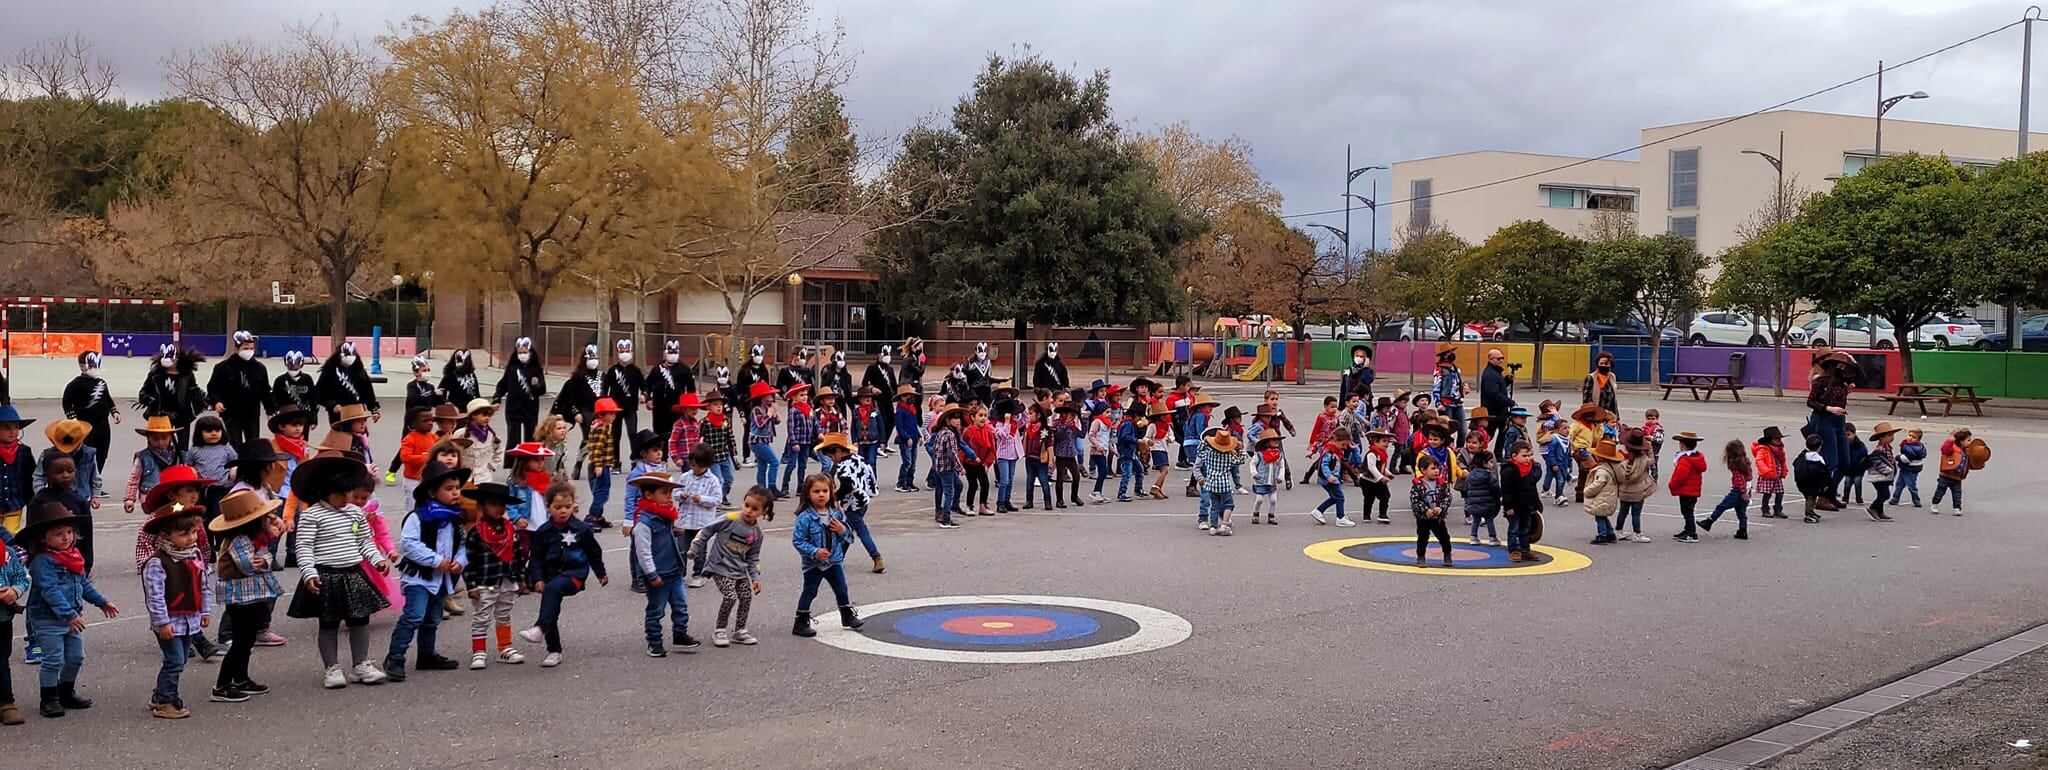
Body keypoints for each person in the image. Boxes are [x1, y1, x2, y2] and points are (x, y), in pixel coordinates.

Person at [19, 501, 118, 718]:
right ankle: (49, 698)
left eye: (70, 532)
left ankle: (66, 691)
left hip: (71, 617)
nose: (66, 538)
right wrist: (70, 615)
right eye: (58, 534)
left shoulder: (72, 557)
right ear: (44, 538)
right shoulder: (42, 562)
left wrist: (102, 602)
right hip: (48, 619)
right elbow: (50, 591)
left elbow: (83, 584)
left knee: (75, 657)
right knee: (53, 658)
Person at [383, 461, 470, 682]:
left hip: (442, 579)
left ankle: (426, 654)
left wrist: (460, 561)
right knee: (414, 616)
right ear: (432, 492)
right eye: (449, 489)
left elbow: (463, 545)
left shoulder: (455, 517)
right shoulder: (418, 517)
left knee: (432, 618)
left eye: (457, 488)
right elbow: (409, 544)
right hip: (419, 578)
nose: (455, 493)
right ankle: (395, 657)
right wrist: (436, 560)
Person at [522, 482, 609, 668]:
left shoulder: (582, 529)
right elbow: (535, 558)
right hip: (550, 575)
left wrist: (600, 573)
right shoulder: (542, 532)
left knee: (553, 589)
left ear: (574, 506)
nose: (563, 511)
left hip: (575, 575)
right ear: (548, 507)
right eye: (558, 507)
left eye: (567, 507)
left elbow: (594, 552)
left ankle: (539, 629)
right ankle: (554, 651)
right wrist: (537, 578)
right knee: (550, 605)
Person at [208, 489, 283, 702]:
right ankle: (222, 685)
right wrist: (265, 558)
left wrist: (265, 556)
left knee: (247, 639)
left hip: (251, 595)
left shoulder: (253, 537)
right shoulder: (239, 540)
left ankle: (240, 678)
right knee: (241, 641)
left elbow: (260, 562)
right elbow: (249, 566)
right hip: (240, 598)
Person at [137, 503, 210, 719]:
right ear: (166, 536)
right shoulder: (157, 562)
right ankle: (166, 701)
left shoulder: (194, 555)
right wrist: (162, 623)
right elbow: (155, 596)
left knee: (180, 660)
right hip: (169, 622)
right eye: (184, 533)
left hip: (190, 619)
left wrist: (204, 611)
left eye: (194, 532)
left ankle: (160, 695)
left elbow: (203, 585)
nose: (191, 537)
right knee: (175, 660)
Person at [689, 485, 770, 648]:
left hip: (739, 571)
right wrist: (695, 547)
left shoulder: (757, 533)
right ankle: (720, 629)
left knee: (746, 596)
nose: (748, 511)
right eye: (747, 505)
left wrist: (755, 578)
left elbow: (753, 557)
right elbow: (706, 530)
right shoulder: (730, 518)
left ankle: (739, 631)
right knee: (730, 596)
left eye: (754, 509)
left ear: (763, 512)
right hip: (720, 567)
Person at [626, 470, 696, 658]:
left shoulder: (665, 516)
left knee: (680, 604)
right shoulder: (644, 523)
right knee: (656, 609)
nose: (668, 497)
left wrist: (675, 533)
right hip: (658, 574)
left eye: (669, 493)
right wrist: (651, 574)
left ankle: (680, 634)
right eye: (664, 493)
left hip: (674, 570)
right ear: (649, 495)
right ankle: (654, 642)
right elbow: (643, 551)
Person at [459, 483, 529, 669]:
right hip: (484, 582)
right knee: (482, 617)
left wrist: (521, 578)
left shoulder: (509, 530)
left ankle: (505, 648)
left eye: (502, 504)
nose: (499, 508)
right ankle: (479, 652)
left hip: (506, 579)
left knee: (504, 615)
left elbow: (518, 555)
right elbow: (469, 561)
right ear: (481, 506)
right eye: (493, 504)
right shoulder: (476, 533)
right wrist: (471, 585)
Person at [790, 474, 861, 638]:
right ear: (808, 493)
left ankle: (847, 615)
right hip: (813, 563)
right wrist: (814, 551)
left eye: (825, 491)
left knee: (841, 589)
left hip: (834, 560)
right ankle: (801, 621)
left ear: (831, 492)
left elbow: (850, 537)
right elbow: (798, 540)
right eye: (816, 491)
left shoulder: (836, 514)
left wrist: (842, 530)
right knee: (810, 591)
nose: (821, 494)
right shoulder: (805, 518)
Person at [818, 434, 882, 574]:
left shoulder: (843, 467)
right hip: (863, 501)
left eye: (832, 456)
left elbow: (847, 486)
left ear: (839, 451)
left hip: (852, 504)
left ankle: (876, 556)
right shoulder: (858, 459)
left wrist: (835, 497)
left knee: (861, 531)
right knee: (847, 531)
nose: (832, 460)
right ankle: (838, 558)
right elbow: (870, 476)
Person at [1806, 351, 1857, 510]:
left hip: (1839, 421)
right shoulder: (1821, 381)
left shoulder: (1842, 384)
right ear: (1833, 366)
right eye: (1840, 366)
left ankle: (1829, 493)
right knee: (1831, 462)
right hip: (1824, 420)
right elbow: (1811, 402)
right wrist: (1828, 408)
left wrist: (1846, 392)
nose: (1843, 368)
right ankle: (1823, 497)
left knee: (1845, 462)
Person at [139, 344, 209, 453]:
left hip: (182, 415)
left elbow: (194, 391)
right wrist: (150, 400)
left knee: (182, 446)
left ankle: (181, 465)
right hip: (159, 414)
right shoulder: (155, 375)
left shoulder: (187, 375)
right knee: (159, 444)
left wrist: (203, 402)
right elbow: (143, 392)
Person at [61, 352, 121, 476]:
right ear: (82, 366)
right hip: (85, 425)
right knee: (85, 454)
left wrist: (114, 411)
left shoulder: (102, 383)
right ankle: (83, 482)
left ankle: (96, 482)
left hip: (103, 425)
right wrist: (72, 417)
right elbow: (66, 401)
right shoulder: (76, 384)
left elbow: (107, 399)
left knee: (102, 454)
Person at [674, 446, 723, 586]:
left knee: (700, 551)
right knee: (681, 548)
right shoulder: (685, 477)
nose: (693, 467)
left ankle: (698, 574)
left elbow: (717, 499)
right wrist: (681, 495)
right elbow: (675, 493)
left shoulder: (712, 480)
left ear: (705, 465)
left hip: (702, 523)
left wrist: (702, 499)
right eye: (692, 464)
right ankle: (679, 574)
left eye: (696, 465)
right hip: (686, 521)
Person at [493, 338, 548, 452]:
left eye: (525, 352)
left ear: (530, 352)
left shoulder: (536, 369)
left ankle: (529, 462)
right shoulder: (512, 368)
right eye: (520, 353)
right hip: (513, 409)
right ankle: (512, 464)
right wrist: (497, 398)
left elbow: (542, 390)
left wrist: (537, 385)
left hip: (530, 409)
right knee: (513, 439)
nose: (522, 355)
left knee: (530, 438)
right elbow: (503, 384)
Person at [0, 521, 30, 725]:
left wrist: (15, 591)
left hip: (2, 619)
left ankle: (5, 702)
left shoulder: (7, 554)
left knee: (2, 659)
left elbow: (23, 577)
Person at [314, 342, 380, 427]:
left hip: (358, 411)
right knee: (341, 437)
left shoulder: (360, 372)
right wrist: (331, 405)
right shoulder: (329, 372)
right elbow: (319, 393)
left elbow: (368, 392)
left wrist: (374, 409)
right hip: (339, 413)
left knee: (359, 437)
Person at [603, 340, 646, 464]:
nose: (625, 354)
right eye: (622, 351)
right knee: (615, 435)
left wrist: (644, 395)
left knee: (632, 433)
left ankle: (635, 459)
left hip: (631, 408)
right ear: (618, 353)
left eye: (627, 351)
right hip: (614, 409)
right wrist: (604, 403)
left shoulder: (636, 370)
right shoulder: (612, 370)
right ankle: (615, 461)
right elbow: (605, 388)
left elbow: (644, 386)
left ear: (631, 352)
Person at [1698, 440, 1753, 540]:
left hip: (1738, 491)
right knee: (1741, 512)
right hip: (1747, 489)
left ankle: (1709, 521)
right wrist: (1747, 490)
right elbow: (1749, 476)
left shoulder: (1735, 464)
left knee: (1721, 506)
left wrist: (1743, 491)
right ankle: (1743, 530)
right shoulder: (1746, 461)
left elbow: (1740, 479)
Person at [1195, 427, 1244, 536]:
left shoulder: (1209, 455)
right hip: (1224, 485)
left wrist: (1204, 442)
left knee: (1214, 506)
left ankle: (1213, 526)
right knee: (1228, 504)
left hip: (1211, 484)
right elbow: (1241, 459)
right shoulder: (1228, 457)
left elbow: (1199, 452)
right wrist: (1240, 449)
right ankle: (1225, 524)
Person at [1499, 441, 1542, 561]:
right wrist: (1508, 507)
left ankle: (1525, 550)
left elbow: (1533, 486)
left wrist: (1536, 504)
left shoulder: (1531, 468)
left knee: (1526, 529)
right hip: (1514, 506)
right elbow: (1506, 491)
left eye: (1530, 455)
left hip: (1527, 505)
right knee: (1514, 529)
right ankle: (1514, 550)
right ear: (1514, 456)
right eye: (1524, 456)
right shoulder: (1509, 470)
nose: (1528, 458)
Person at [643, 341, 694, 442]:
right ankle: (662, 455)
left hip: (677, 407)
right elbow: (647, 385)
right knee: (659, 433)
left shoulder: (684, 369)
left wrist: (689, 407)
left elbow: (691, 389)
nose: (673, 355)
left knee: (677, 433)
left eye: (675, 353)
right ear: (665, 353)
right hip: (659, 407)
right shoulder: (657, 368)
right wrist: (648, 399)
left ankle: (676, 454)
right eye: (670, 353)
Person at [1410, 454, 1455, 566]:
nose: (1436, 471)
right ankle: (1421, 557)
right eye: (1433, 468)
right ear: (1423, 470)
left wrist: (1441, 508)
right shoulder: (1418, 485)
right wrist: (1425, 510)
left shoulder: (1441, 484)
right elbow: (1415, 500)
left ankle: (1447, 555)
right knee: (1422, 538)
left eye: (1437, 468)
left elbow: (1447, 497)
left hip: (1438, 517)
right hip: (1423, 518)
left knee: (1444, 537)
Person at [928, 406, 966, 527]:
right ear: (947, 420)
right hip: (946, 467)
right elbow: (952, 453)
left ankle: (953, 507)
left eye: (959, 418)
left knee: (959, 485)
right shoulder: (949, 434)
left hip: (941, 466)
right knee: (949, 492)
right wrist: (960, 468)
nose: (958, 420)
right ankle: (946, 518)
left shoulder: (944, 432)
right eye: (954, 418)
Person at [1582, 438, 1624, 545]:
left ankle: (1602, 535)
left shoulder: (1602, 470)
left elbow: (1598, 484)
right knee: (1603, 515)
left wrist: (1588, 490)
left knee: (1599, 516)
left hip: (1602, 497)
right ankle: (1610, 533)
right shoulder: (1614, 467)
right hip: (1610, 496)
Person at [1615, 434, 1655, 543]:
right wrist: (1650, 448)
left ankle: (1618, 530)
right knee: (1636, 513)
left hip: (1624, 490)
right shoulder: (1643, 460)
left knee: (1623, 511)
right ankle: (1637, 533)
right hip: (1638, 491)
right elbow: (1652, 460)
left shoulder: (1621, 459)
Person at [1667, 432, 1707, 542]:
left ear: (1683, 445)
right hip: (1693, 490)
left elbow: (1680, 476)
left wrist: (1672, 485)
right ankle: (1687, 529)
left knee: (1687, 512)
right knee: (1688, 511)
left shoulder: (1685, 460)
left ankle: (1691, 533)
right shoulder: (1697, 458)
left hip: (1687, 491)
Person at [746, 382, 782, 497]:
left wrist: (776, 417)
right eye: (769, 396)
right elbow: (760, 424)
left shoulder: (768, 408)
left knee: (762, 466)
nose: (772, 399)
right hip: (757, 442)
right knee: (774, 461)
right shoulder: (756, 410)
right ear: (762, 398)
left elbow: (771, 423)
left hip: (764, 441)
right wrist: (770, 415)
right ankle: (771, 487)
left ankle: (761, 490)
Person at [862, 347, 901, 453]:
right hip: (877, 399)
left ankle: (885, 442)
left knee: (891, 421)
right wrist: (872, 388)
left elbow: (893, 384)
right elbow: (865, 382)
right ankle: (878, 444)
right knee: (881, 420)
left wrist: (897, 394)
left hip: (888, 398)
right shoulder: (872, 368)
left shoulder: (890, 369)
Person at [270, 351, 318, 433]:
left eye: (296, 366)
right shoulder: (280, 380)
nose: (293, 368)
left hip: (303, 415)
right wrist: (275, 413)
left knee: (302, 441)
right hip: (286, 417)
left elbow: (313, 399)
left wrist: (314, 420)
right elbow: (274, 399)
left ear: (301, 364)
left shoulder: (307, 379)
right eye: (290, 366)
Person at [1480, 349, 1515, 455]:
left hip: (1499, 410)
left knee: (1503, 432)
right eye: (1498, 358)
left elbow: (1497, 388)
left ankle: (1498, 454)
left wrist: (1506, 381)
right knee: (1489, 433)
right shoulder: (1490, 374)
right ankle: (1478, 451)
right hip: (1493, 411)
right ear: (1491, 359)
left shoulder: (1495, 372)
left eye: (1502, 358)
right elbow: (1493, 393)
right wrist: (1509, 402)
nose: (1501, 360)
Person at [1464, 449, 1501, 547]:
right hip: (1487, 503)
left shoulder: (1470, 475)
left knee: (1476, 520)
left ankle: (1473, 537)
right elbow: (1495, 488)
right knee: (1489, 520)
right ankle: (1492, 538)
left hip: (1474, 503)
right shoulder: (1489, 476)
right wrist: (1498, 497)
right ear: (1484, 463)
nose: (1493, 464)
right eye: (1491, 462)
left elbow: (1467, 487)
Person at [1863, 422, 1899, 522]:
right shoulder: (1880, 450)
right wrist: (1888, 471)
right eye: (1889, 435)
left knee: (1881, 494)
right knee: (1885, 495)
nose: (1892, 437)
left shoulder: (1887, 448)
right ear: (1881, 438)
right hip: (1879, 477)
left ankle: (1880, 512)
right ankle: (1873, 508)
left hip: (1885, 477)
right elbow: (1878, 463)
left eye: (1892, 435)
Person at [1791, 433, 1831, 524]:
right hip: (1813, 482)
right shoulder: (1818, 458)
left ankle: (1811, 512)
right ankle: (1808, 514)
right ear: (1819, 447)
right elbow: (1824, 471)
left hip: (1802, 481)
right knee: (1811, 498)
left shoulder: (1803, 456)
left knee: (1808, 497)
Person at [1933, 428, 1974, 517]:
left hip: (1957, 477)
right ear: (1961, 441)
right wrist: (1950, 439)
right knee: (1940, 491)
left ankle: (1957, 508)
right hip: (1946, 475)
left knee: (1957, 493)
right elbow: (1944, 449)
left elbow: (1969, 463)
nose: (1970, 442)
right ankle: (1935, 504)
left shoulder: (1966, 451)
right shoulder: (1952, 448)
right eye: (1969, 440)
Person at [1568, 404, 1604, 503]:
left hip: (1589, 450)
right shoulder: (1577, 424)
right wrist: (1572, 450)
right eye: (1587, 415)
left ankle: (1580, 494)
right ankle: (1589, 492)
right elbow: (1570, 436)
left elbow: (1597, 438)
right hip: (1580, 450)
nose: (1590, 417)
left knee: (1583, 471)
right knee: (1594, 468)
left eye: (1592, 415)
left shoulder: (1593, 425)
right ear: (1583, 415)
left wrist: (1599, 425)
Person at [1752, 426, 1789, 519]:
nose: (1779, 440)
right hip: (1768, 475)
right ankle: (1765, 510)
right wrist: (1766, 471)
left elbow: (1783, 461)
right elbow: (1759, 461)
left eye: (1780, 438)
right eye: (1776, 439)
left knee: (1780, 493)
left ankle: (1778, 509)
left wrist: (1784, 470)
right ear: (1769, 440)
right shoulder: (1763, 449)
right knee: (1767, 493)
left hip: (1777, 475)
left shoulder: (1780, 449)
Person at [1431, 350, 1468, 441]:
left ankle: (1460, 449)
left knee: (1463, 430)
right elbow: (1436, 387)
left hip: (1457, 403)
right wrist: (1438, 403)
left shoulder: (1455, 369)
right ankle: (1447, 447)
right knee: (1446, 429)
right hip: (1446, 404)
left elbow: (1456, 384)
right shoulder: (1439, 370)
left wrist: (1463, 388)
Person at [892, 385, 923, 493]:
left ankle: (909, 482)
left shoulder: (912, 409)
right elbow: (899, 427)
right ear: (901, 398)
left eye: (910, 395)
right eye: (906, 395)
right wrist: (906, 437)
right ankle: (901, 483)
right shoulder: (900, 411)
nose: (909, 397)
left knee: (913, 463)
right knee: (907, 462)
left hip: (913, 438)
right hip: (905, 440)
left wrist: (919, 436)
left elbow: (915, 425)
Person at [439, 349, 483, 413]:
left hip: (471, 408)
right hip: (457, 409)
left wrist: (479, 404)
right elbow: (441, 391)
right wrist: (447, 403)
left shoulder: (471, 374)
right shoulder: (451, 375)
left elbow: (476, 392)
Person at [1892, 428, 1926, 508]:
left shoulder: (1909, 448)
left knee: (1911, 485)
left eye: (1913, 437)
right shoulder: (1920, 446)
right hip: (1911, 468)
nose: (1910, 438)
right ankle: (1895, 499)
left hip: (1909, 468)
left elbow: (1906, 459)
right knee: (1899, 484)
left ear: (1918, 439)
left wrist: (1898, 457)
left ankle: (1916, 500)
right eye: (1909, 435)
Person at [1582, 351, 1620, 419]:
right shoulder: (1591, 378)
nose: (1603, 366)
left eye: (1606, 364)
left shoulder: (1612, 377)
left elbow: (1613, 400)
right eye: (1601, 363)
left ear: (1610, 365)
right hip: (1595, 416)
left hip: (1609, 416)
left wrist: (1617, 418)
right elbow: (1586, 401)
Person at [1840, 423, 1869, 506]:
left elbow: (1865, 455)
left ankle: (1859, 498)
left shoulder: (1860, 445)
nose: (1847, 437)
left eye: (1849, 435)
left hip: (1858, 469)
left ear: (1854, 434)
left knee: (1857, 482)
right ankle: (1845, 497)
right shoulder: (1843, 445)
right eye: (1845, 435)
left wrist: (1862, 465)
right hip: (1849, 469)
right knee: (1847, 482)